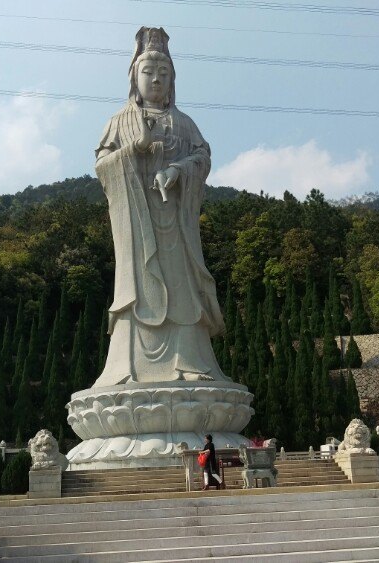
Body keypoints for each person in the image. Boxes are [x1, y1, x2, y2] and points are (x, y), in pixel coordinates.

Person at [91, 27, 228, 387]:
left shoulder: (184, 124)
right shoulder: (119, 122)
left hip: (177, 226)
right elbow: (103, 166)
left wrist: (177, 170)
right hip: (137, 226)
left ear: (172, 81)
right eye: (148, 72)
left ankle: (189, 361)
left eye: (164, 74)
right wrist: (133, 150)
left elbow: (202, 157)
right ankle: (127, 367)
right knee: (138, 291)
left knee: (182, 289)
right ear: (134, 78)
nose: (156, 79)